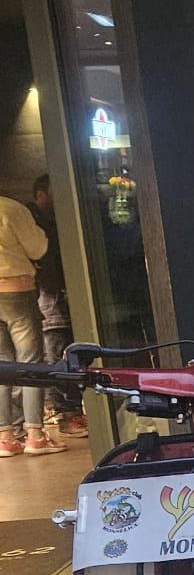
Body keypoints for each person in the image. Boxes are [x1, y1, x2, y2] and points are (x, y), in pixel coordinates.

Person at [0, 191, 63, 457]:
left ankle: (5, 437)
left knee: (2, 363)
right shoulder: (10, 209)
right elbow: (38, 248)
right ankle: (35, 435)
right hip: (15, 290)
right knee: (29, 363)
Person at [27, 175, 85, 438]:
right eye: (53, 192)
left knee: (61, 349)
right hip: (49, 294)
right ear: (41, 194)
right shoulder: (35, 221)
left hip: (55, 292)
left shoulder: (50, 219)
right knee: (55, 350)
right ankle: (63, 412)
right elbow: (45, 258)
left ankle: (67, 410)